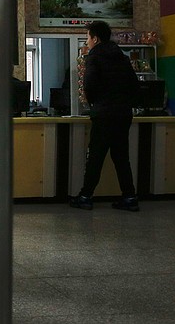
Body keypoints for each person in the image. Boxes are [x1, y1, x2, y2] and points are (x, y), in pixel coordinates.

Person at [70, 21, 140, 212]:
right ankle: (129, 197)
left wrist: (95, 104)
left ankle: (85, 196)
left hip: (103, 114)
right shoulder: (122, 57)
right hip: (123, 114)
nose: (87, 42)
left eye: (87, 38)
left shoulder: (95, 57)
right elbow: (134, 85)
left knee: (95, 156)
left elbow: (89, 85)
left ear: (95, 38)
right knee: (121, 157)